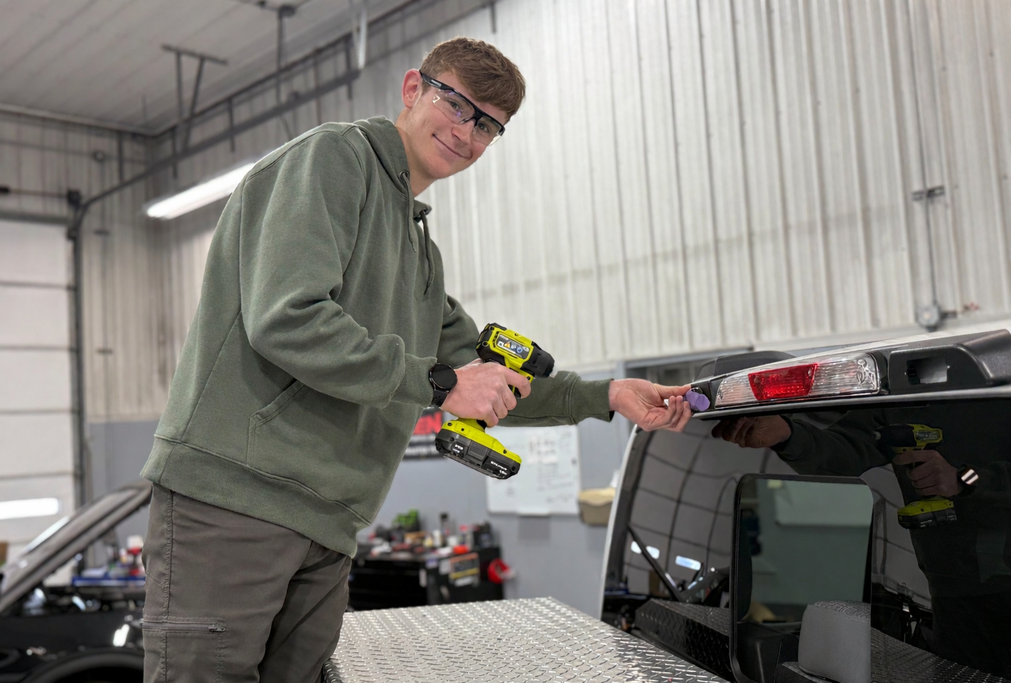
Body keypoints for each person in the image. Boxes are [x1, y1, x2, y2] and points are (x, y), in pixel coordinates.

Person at [139, 36, 693, 683]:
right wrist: (442, 382)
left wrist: (606, 397)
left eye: (488, 125)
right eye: (457, 105)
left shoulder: (420, 255)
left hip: (328, 520)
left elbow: (486, 381)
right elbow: (286, 319)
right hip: (236, 500)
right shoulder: (333, 159)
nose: (468, 132)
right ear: (413, 89)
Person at [713, 405, 1011, 677]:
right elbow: (844, 451)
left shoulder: (992, 365)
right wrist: (787, 436)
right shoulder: (900, 387)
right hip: (955, 595)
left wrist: (967, 480)